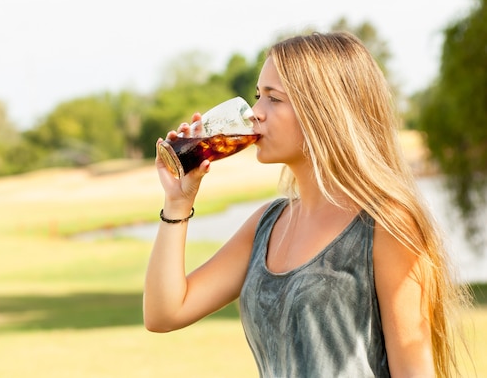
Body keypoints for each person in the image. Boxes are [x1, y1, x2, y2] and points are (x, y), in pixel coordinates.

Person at [143, 32, 470, 377]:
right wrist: (177, 203)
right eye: (258, 96)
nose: (254, 113)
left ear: (323, 110)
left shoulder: (385, 225)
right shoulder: (266, 226)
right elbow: (164, 314)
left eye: (273, 99)